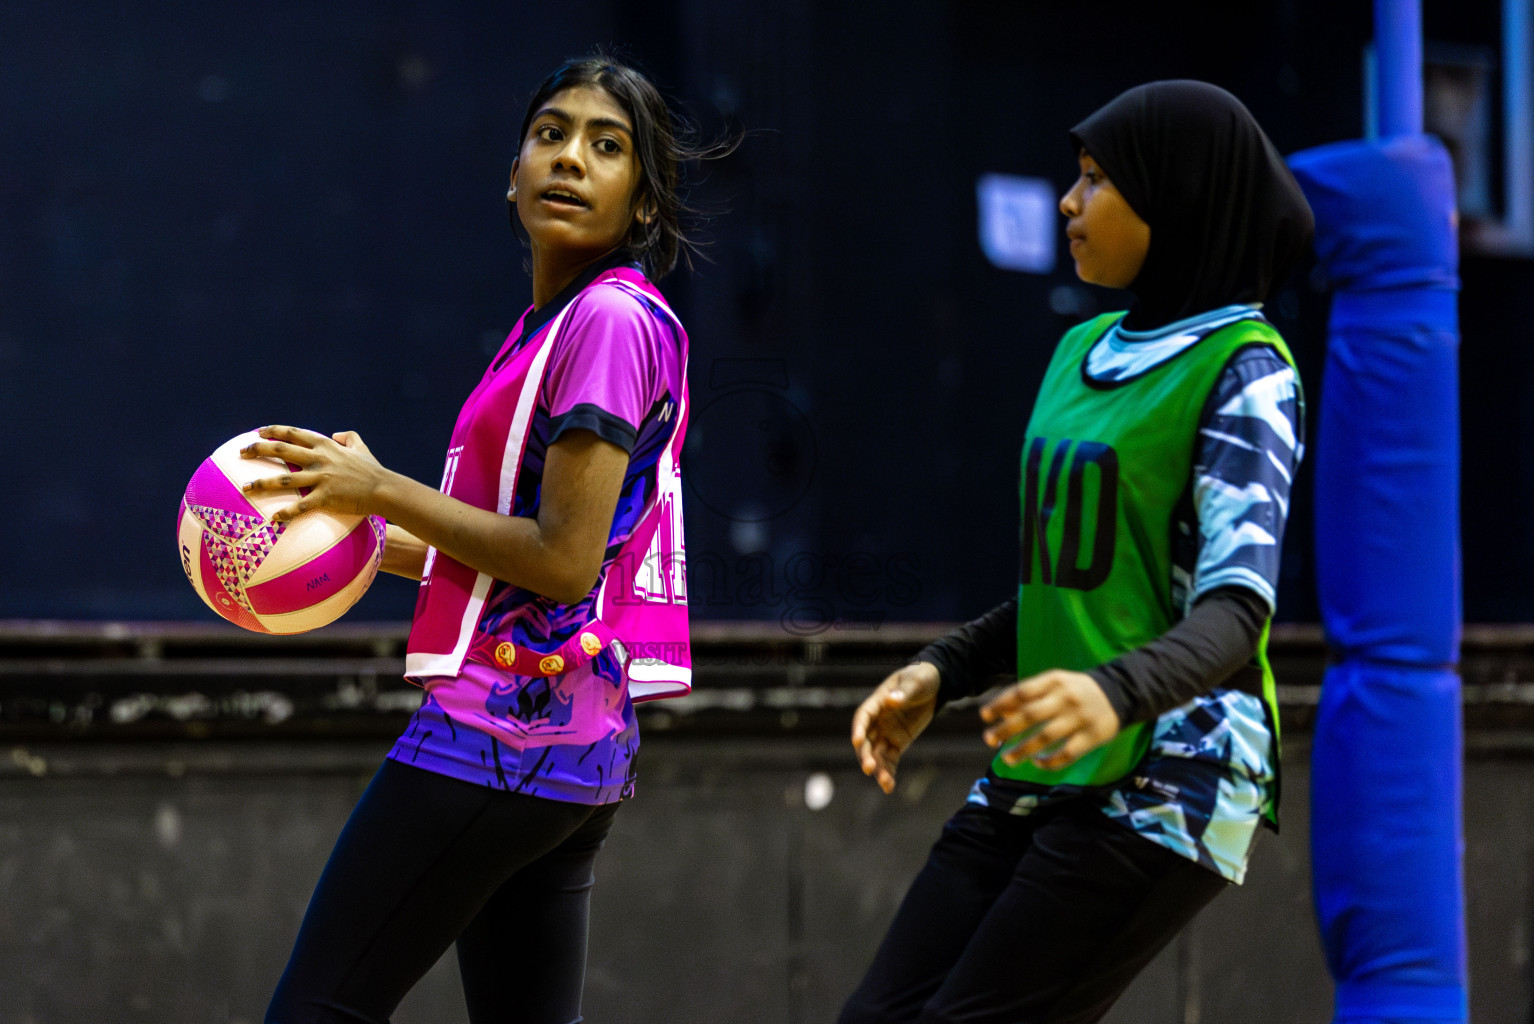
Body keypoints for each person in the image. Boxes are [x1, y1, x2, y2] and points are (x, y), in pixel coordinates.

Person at [247, 53, 728, 1024]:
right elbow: (541, 558)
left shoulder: (604, 321)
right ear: (511, 174)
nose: (569, 159)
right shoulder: (558, 323)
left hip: (496, 735)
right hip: (569, 746)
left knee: (317, 1008)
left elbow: (562, 560)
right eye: (549, 135)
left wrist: (383, 486)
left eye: (606, 146)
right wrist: (372, 540)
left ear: (643, 202)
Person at [842, 80, 1315, 1024]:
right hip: (1049, 757)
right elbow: (1081, 584)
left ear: (1176, 200)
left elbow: (1235, 610)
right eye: (1075, 177)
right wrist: (944, 671)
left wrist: (1112, 693)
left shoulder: (1247, 371)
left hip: (1175, 769)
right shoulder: (1079, 350)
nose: (1069, 200)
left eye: (1098, 179)